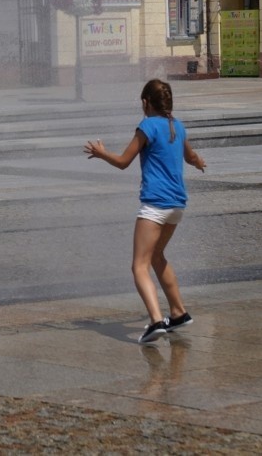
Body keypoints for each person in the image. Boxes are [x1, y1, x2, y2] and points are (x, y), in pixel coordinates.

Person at [84, 79, 206, 344]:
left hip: (155, 205)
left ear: (145, 103)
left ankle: (155, 320)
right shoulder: (178, 126)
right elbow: (190, 156)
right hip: (177, 206)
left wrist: (102, 153)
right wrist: (199, 162)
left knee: (139, 265)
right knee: (157, 256)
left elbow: (123, 162)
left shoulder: (147, 126)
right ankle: (178, 312)